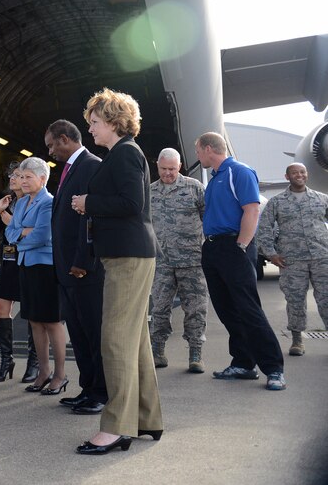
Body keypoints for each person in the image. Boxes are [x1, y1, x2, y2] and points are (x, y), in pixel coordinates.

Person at [70, 88, 161, 455]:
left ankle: (116, 428)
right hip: (127, 255)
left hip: (128, 256)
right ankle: (146, 418)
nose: (90, 129)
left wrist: (88, 202)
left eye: (93, 122)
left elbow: (130, 203)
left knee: (115, 341)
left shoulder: (124, 155)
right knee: (135, 341)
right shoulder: (122, 154)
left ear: (112, 121)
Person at [194, 132, 286, 390]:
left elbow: (252, 209)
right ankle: (244, 363)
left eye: (199, 151)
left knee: (248, 309)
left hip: (234, 246)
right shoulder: (215, 178)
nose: (198, 156)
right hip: (213, 248)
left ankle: (274, 368)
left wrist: (242, 246)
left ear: (209, 149)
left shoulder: (239, 172)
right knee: (227, 310)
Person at [44, 120, 107, 415]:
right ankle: (88, 388)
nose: (50, 151)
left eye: (52, 144)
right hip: (67, 270)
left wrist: (84, 260)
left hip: (83, 269)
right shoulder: (70, 169)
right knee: (79, 333)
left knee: (93, 332)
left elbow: (90, 219)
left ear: (65, 139)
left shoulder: (91, 165)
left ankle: (101, 393)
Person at [5, 157, 67, 396]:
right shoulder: (20, 204)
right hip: (26, 266)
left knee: (52, 321)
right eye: (21, 177)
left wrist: (20, 239)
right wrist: (22, 234)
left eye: (28, 177)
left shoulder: (48, 203)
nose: (23, 181)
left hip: (45, 267)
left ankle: (60, 375)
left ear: (43, 178)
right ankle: (43, 371)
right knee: (34, 322)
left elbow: (42, 237)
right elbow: (9, 232)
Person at [255, 162, 328, 356]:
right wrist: (271, 253)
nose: (299, 175)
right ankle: (297, 340)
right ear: (287, 176)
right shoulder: (277, 202)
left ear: (307, 175)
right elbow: (263, 229)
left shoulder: (322, 199)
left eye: (302, 172)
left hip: (322, 258)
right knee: (295, 300)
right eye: (294, 173)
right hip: (292, 261)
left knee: (326, 299)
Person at [149, 148, 208, 373]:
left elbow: (207, 218)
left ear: (180, 166)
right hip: (162, 262)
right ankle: (158, 352)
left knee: (195, 308)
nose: (168, 173)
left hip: (191, 261)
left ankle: (195, 353)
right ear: (158, 167)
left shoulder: (194, 188)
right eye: (164, 169)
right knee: (160, 308)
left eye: (172, 169)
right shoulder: (150, 192)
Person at [0, 162, 39, 382]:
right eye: (12, 175)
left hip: (28, 260)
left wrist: (7, 218)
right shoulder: (9, 203)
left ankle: (34, 362)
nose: (13, 178)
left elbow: (29, 231)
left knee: (31, 311)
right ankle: (6, 360)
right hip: (8, 262)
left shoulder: (34, 203)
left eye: (18, 175)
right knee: (1, 306)